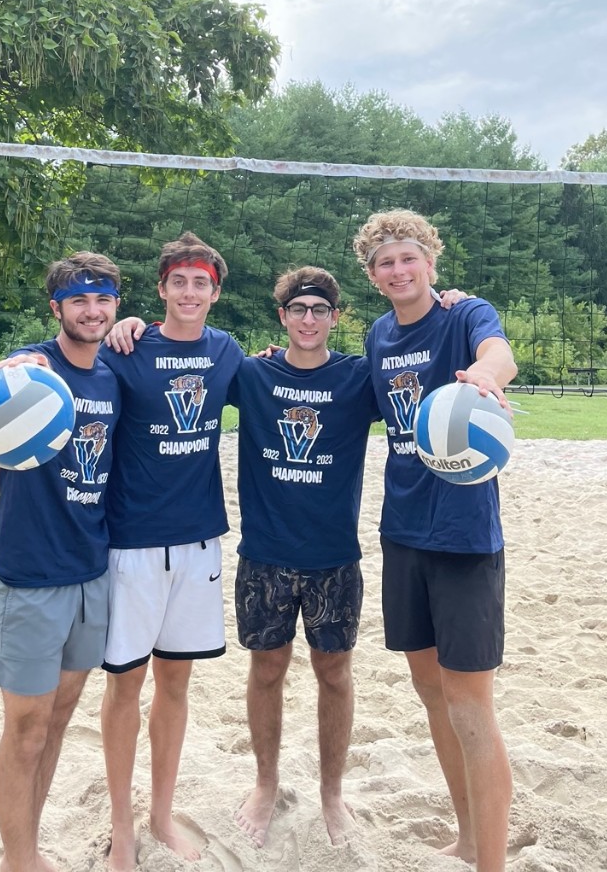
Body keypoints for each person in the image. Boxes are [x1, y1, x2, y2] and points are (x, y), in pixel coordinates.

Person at [354, 210, 517, 872]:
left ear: (429, 261)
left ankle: (491, 863)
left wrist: (486, 376)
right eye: (385, 262)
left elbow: (499, 352)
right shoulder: (378, 335)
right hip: (403, 533)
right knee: (431, 693)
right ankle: (468, 837)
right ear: (372, 275)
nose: (398, 270)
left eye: (408, 257)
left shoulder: (462, 314)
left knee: (469, 705)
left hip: (463, 537)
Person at [99, 232, 244, 872]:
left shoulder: (226, 351)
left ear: (215, 291)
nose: (189, 292)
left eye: (200, 283)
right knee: (124, 686)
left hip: (198, 541)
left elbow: (286, 377)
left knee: (175, 684)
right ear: (161, 288)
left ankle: (160, 813)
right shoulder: (127, 348)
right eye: (178, 281)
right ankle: (121, 826)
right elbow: (66, 370)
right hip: (131, 542)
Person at [229, 266, 377, 849]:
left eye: (319, 310)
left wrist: (455, 305)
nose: (308, 319)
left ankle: (331, 793)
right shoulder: (252, 373)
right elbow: (176, 364)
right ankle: (265, 783)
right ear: (282, 316)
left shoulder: (358, 377)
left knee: (334, 672)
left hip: (333, 556)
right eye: (298, 309)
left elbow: (425, 371)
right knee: (267, 669)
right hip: (265, 554)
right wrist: (132, 325)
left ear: (335, 317)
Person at [0, 251, 122, 872]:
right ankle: (18, 862)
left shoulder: (113, 376)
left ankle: (29, 849)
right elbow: (2, 383)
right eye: (78, 301)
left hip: (91, 569)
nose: (92, 311)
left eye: (103, 299)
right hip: (30, 573)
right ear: (56, 308)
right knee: (26, 728)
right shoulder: (35, 369)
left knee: (59, 718)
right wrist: (7, 369)